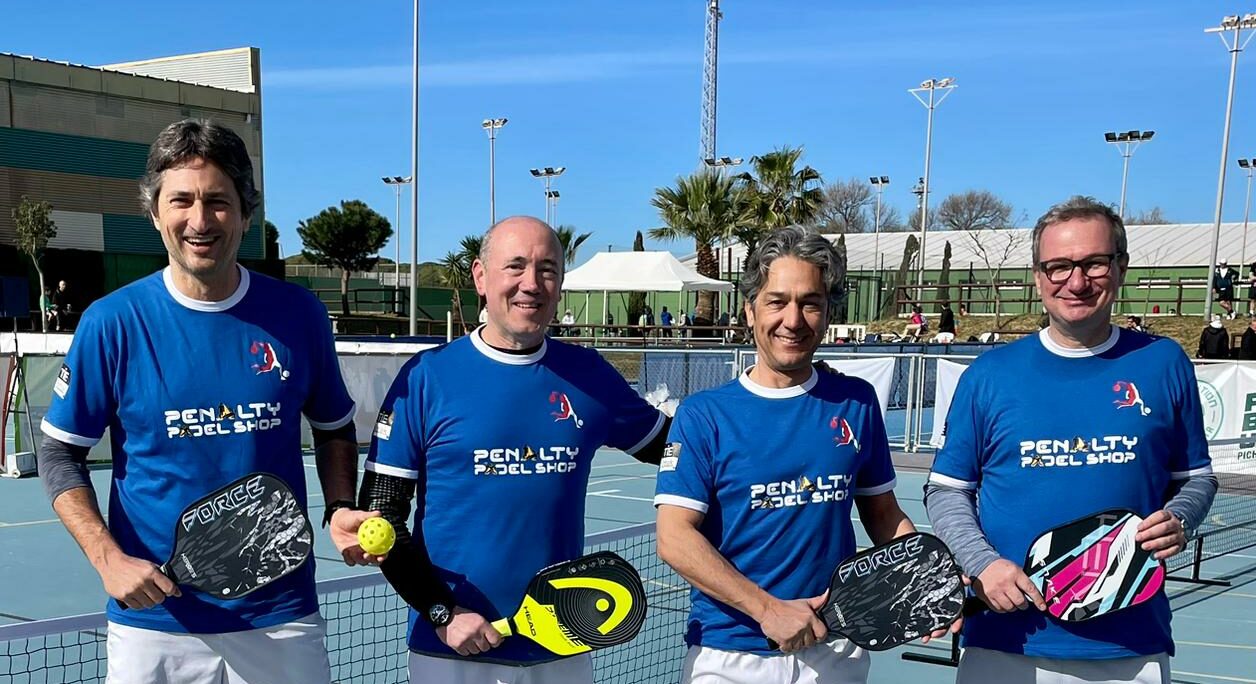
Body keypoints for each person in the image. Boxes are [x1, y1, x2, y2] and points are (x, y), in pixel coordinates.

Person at [37, 119, 369, 683]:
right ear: (155, 212)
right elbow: (57, 453)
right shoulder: (112, 323)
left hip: (279, 619)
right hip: (153, 625)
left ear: (245, 213)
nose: (199, 220)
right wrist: (107, 558)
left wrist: (338, 507)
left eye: (217, 201)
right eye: (181, 200)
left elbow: (335, 427)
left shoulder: (298, 315)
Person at [358, 216, 674, 684]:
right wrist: (444, 613)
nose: (531, 283)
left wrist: (757, 408)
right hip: (451, 652)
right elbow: (380, 516)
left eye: (547, 268)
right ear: (480, 277)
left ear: (561, 283)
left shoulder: (590, 376)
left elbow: (674, 448)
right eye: (516, 266)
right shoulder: (427, 379)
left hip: (563, 645)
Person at [925, 196, 1217, 684]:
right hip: (1004, 642)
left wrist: (1180, 518)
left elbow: (1196, 479)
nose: (1076, 282)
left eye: (1094, 263)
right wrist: (982, 563)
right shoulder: (990, 374)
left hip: (1131, 646)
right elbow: (948, 488)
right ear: (1039, 275)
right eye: (1059, 266)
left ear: (1120, 267)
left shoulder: (1164, 362)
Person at [655, 226, 949, 684]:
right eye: (777, 301)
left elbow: (883, 513)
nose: (793, 319)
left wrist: (927, 581)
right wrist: (768, 609)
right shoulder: (703, 415)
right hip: (730, 653)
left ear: (827, 312)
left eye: (810, 302)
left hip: (835, 649)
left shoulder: (856, 401)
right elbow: (674, 538)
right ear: (750, 310)